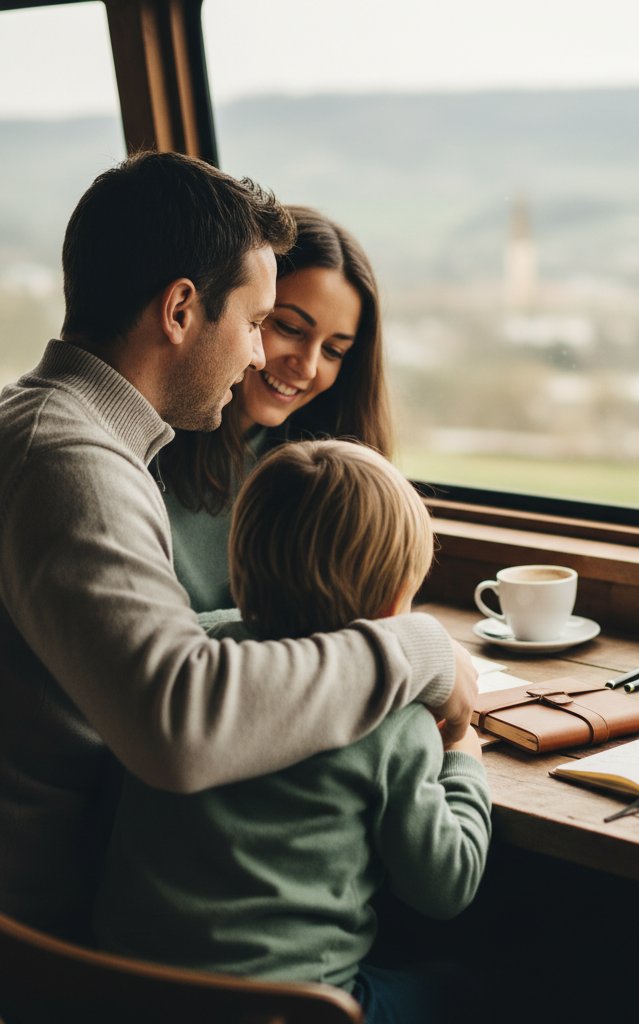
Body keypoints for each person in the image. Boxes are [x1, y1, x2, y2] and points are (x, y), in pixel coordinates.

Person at [0, 152, 476, 944]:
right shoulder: (67, 460)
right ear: (181, 310)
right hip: (60, 947)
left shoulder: (60, 430)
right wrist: (416, 649)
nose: (261, 357)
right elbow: (180, 725)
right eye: (258, 324)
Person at [94, 440, 491, 1024]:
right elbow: (447, 883)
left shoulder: (196, 664)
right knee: (463, 990)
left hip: (125, 991)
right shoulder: (393, 724)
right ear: (390, 612)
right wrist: (462, 757)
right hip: (286, 1010)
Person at [156, 206, 392, 613]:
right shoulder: (142, 454)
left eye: (334, 351)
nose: (309, 366)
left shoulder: (319, 472)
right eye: (288, 328)